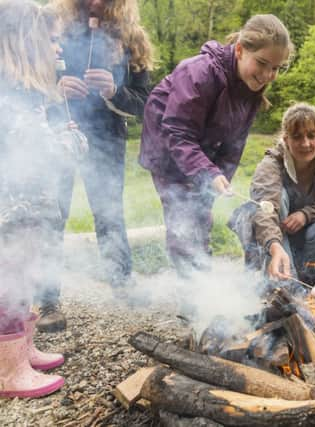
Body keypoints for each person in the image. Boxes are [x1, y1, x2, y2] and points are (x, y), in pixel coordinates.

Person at [140, 14, 293, 278]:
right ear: (240, 50)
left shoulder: (251, 92)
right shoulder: (199, 72)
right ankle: (195, 291)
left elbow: (234, 146)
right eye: (262, 63)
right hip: (167, 149)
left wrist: (219, 178)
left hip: (201, 151)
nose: (268, 75)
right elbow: (177, 131)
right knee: (183, 217)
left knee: (202, 212)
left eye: (276, 68)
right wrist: (208, 172)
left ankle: (201, 276)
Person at [43, 0, 154, 331]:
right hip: (57, 136)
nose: (95, 2)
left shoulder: (132, 38)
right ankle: (47, 299)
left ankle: (121, 282)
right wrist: (54, 91)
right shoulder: (53, 27)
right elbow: (22, 85)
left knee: (109, 213)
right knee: (52, 214)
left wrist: (115, 91)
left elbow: (145, 103)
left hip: (107, 138)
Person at [0, 0, 87, 398]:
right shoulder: (9, 92)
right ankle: (8, 370)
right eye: (51, 42)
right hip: (13, 209)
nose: (58, 50)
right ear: (25, 43)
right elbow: (31, 149)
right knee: (11, 280)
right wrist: (67, 143)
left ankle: (23, 350)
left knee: (27, 274)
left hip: (28, 207)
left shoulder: (28, 92)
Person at [229, 103, 315, 285]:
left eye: (311, 136)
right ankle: (282, 279)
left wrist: (305, 215)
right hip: (271, 234)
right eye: (297, 137)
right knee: (278, 199)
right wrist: (274, 245)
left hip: (304, 231)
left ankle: (301, 271)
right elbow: (264, 213)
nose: (306, 144)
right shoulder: (271, 164)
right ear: (286, 139)